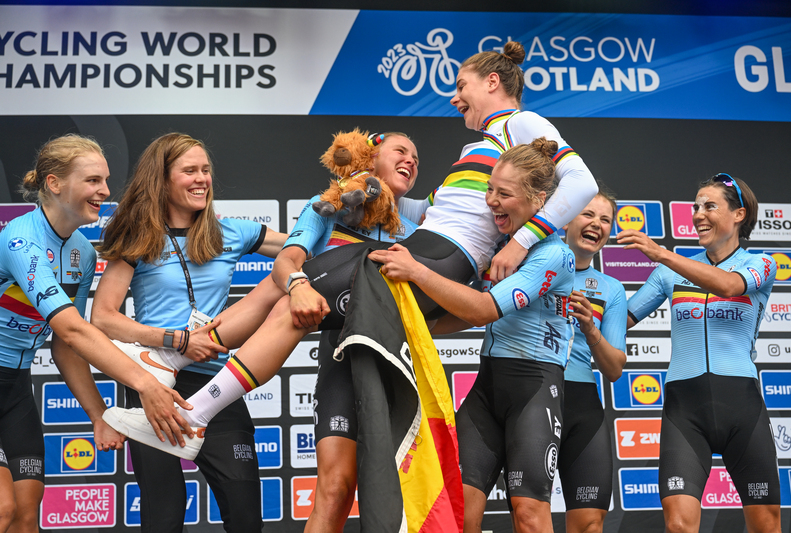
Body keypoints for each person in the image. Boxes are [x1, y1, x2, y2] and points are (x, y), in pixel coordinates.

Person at [103, 42, 597, 463]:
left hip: (437, 258)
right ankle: (174, 367)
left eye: (462, 85)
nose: (454, 96)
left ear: (492, 82)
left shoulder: (521, 121)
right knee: (284, 296)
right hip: (425, 247)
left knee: (290, 307)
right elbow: (430, 213)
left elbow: (581, 182)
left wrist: (520, 240)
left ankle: (194, 410)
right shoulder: (485, 145)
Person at [372, 138, 574, 533]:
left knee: (529, 516)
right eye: (489, 190)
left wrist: (417, 272)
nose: (491, 201)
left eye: (504, 194)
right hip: (487, 387)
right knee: (458, 512)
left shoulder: (553, 254)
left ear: (540, 199)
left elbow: (483, 309)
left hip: (534, 388)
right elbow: (468, 315)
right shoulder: (500, 243)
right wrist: (415, 325)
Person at [91, 133, 287, 533]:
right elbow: (104, 318)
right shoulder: (139, 237)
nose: (202, 179)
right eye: (189, 171)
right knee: (164, 514)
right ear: (162, 181)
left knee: (246, 512)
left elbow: (300, 250)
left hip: (217, 384)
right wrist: (176, 339)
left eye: (206, 170)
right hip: (154, 381)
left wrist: (336, 219)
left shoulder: (231, 231)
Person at [0, 135, 192, 533]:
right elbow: (72, 329)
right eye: (92, 181)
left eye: (105, 180)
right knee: (3, 508)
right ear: (54, 184)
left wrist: (98, 416)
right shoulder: (19, 240)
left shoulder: (83, 253)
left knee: (25, 509)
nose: (104, 191)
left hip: (14, 386)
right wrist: (145, 384)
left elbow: (65, 345)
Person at [621, 173, 780, 533]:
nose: (698, 215)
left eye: (710, 206)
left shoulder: (762, 263)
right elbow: (623, 319)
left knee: (767, 525)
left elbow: (727, 285)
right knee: (678, 525)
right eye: (695, 207)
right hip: (684, 408)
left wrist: (662, 254)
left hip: (742, 405)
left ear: (738, 214)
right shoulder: (668, 271)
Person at [288, 133, 420, 533]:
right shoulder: (326, 209)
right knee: (336, 489)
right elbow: (287, 262)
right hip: (342, 359)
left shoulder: (415, 232)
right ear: (370, 156)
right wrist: (297, 285)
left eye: (417, 158)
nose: (411, 161)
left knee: (401, 495)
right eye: (402, 151)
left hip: (399, 364)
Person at [559, 188, 627, 533]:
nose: (596, 224)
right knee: (528, 514)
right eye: (588, 214)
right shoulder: (525, 264)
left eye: (605, 220)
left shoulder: (611, 288)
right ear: (566, 217)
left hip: (582, 402)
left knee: (590, 523)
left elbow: (614, 369)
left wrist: (591, 329)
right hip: (530, 394)